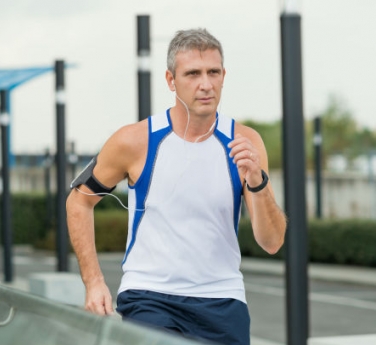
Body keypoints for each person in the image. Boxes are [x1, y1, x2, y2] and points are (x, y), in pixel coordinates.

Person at [66, 28, 287, 345]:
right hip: (149, 297)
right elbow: (78, 202)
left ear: (224, 76)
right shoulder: (136, 140)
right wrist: (94, 281)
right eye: (193, 74)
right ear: (171, 80)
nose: (205, 84)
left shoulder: (245, 142)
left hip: (223, 301)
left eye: (213, 72)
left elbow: (272, 242)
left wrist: (257, 182)